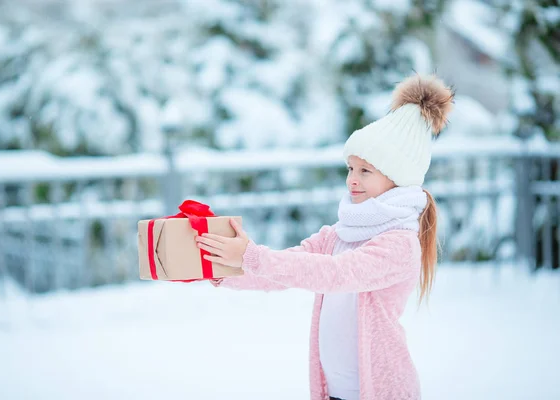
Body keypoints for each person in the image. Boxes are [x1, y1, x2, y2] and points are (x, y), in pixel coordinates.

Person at [195, 73, 454, 400]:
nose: (352, 181)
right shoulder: (340, 233)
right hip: (334, 391)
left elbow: (335, 274)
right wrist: (220, 268)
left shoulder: (399, 244)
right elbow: (285, 270)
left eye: (365, 171)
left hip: (380, 392)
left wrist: (252, 255)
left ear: (397, 179)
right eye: (350, 168)